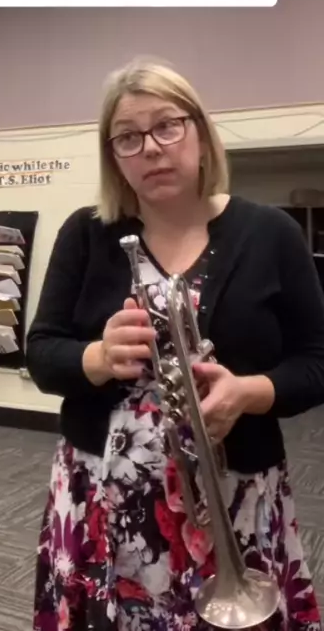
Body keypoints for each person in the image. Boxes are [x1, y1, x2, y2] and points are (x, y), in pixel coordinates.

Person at [26, 56, 324, 631]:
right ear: (114, 156)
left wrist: (249, 392)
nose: (151, 149)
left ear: (201, 134)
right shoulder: (86, 233)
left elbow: (317, 361)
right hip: (102, 497)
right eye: (128, 137)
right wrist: (96, 358)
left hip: (234, 497)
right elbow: (41, 353)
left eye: (167, 126)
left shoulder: (272, 234)